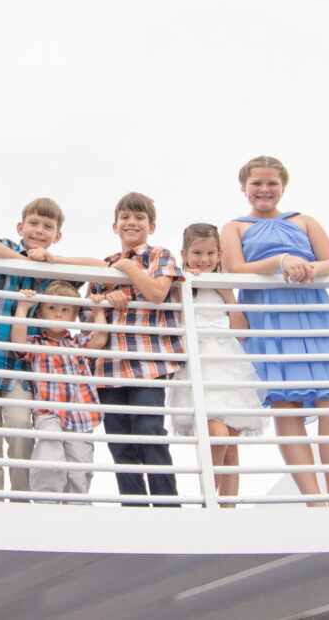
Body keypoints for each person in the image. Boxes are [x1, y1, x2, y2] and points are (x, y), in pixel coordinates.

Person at [220, 156, 329, 507]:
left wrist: (306, 267)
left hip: (313, 312)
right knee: (285, 404)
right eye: (257, 183)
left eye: (272, 183)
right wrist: (280, 261)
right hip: (269, 317)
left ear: (282, 187)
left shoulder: (304, 220)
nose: (265, 190)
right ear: (244, 188)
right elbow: (235, 270)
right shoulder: (234, 227)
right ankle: (314, 500)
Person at [0, 198, 105, 499]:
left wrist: (54, 261)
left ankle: (21, 499)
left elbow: (100, 267)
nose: (39, 230)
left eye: (48, 227)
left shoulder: (55, 274)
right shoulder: (6, 251)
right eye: (33, 223)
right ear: (21, 227)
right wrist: (28, 262)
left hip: (23, 368)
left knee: (20, 427)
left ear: (56, 235)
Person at [90, 192, 184, 506]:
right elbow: (90, 319)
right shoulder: (102, 268)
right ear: (114, 225)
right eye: (126, 218)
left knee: (148, 429)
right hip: (110, 367)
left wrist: (128, 268)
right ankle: (134, 507)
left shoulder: (161, 255)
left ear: (151, 225)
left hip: (149, 362)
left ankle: (167, 505)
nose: (132, 222)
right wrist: (104, 301)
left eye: (139, 217)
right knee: (120, 442)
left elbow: (158, 292)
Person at [168, 223, 267, 507]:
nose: (204, 259)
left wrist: (227, 296)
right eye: (197, 252)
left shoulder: (223, 284)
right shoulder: (182, 284)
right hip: (201, 365)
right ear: (184, 253)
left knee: (231, 444)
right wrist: (186, 279)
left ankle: (228, 507)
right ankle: (208, 500)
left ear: (220, 253)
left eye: (211, 252)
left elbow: (241, 331)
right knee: (217, 436)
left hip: (228, 363)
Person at [10, 281, 108, 502]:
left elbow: (100, 339)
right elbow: (18, 341)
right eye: (51, 308)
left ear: (74, 316)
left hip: (81, 414)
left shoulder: (78, 343)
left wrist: (99, 312)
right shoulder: (37, 343)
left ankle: (75, 508)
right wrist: (23, 307)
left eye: (65, 310)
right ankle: (47, 503)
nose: (58, 315)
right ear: (41, 312)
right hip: (49, 412)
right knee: (49, 455)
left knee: (80, 466)